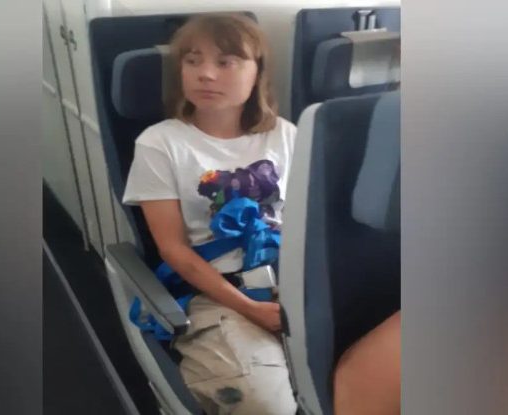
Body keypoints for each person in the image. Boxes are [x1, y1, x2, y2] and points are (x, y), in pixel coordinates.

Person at [123, 13, 400, 415]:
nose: (205, 74)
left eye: (226, 62)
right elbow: (174, 250)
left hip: (292, 284)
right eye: (192, 61)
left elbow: (308, 227)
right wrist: (248, 307)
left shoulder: (286, 135)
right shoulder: (160, 143)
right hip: (217, 293)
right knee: (270, 405)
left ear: (257, 73)